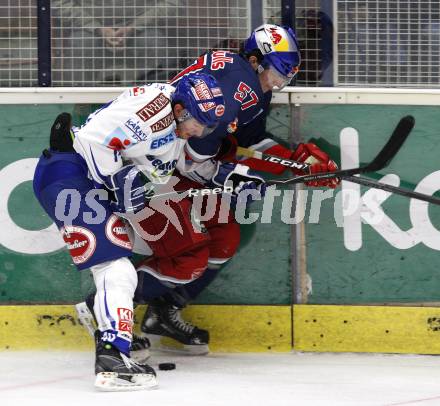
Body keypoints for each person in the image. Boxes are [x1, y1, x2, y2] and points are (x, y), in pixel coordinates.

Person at [124, 24, 340, 355]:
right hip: (155, 169)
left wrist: (296, 161)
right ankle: (108, 313)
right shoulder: (238, 84)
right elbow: (193, 158)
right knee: (189, 256)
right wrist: (230, 175)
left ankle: (163, 311)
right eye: (278, 73)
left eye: (288, 75)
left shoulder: (252, 85)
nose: (281, 83)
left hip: (180, 165)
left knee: (224, 239)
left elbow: (248, 141)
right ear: (255, 60)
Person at [32, 72, 239, 391]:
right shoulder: (155, 114)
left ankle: (108, 329)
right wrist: (124, 184)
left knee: (177, 250)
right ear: (182, 108)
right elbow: (95, 142)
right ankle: (113, 359)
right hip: (70, 179)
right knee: (115, 268)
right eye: (200, 121)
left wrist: (231, 177)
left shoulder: (174, 117)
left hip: (86, 183)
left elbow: (165, 167)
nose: (201, 130)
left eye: (208, 126)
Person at [52, 0, 182, 85]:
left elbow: (173, 3)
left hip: (143, 29)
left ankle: (151, 101)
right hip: (89, 30)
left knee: (154, 41)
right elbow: (60, 4)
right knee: (80, 43)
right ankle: (82, 103)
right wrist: (96, 28)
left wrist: (135, 27)